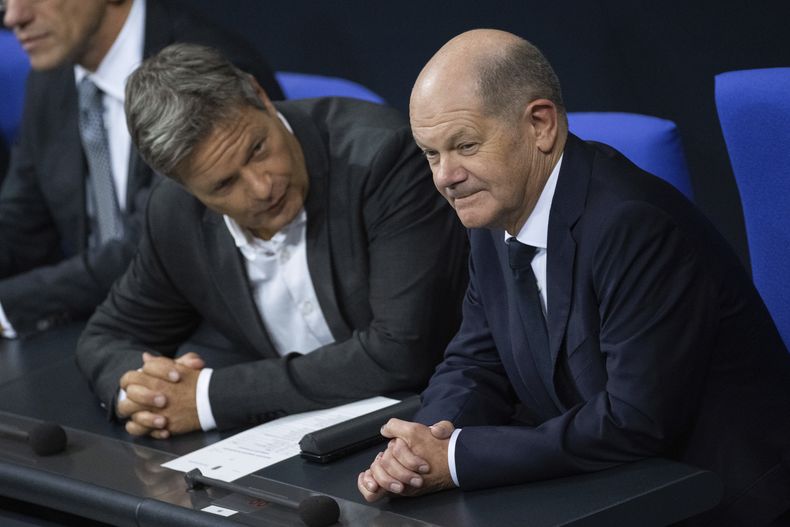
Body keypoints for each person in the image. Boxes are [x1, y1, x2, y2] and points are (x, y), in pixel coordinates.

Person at [357, 29, 790, 526]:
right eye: (431, 154)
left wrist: (456, 459)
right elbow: (477, 360)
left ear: (540, 125)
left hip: (719, 500)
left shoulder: (633, 224)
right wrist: (422, 445)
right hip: (607, 486)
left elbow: (634, 420)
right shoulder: (491, 214)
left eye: (465, 145)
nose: (445, 177)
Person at [75, 43, 467, 440]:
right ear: (184, 186)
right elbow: (109, 335)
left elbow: (400, 353)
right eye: (225, 183)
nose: (263, 186)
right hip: (296, 445)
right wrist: (142, 394)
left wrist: (207, 399)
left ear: (260, 96)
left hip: (431, 421)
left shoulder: (380, 158)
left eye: (257, 148)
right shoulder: (176, 212)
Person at [0, 0, 282, 337]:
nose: (14, 17)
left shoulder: (203, 67)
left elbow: (159, 245)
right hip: (103, 322)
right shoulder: (52, 78)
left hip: (204, 328)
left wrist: (10, 304)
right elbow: (21, 222)